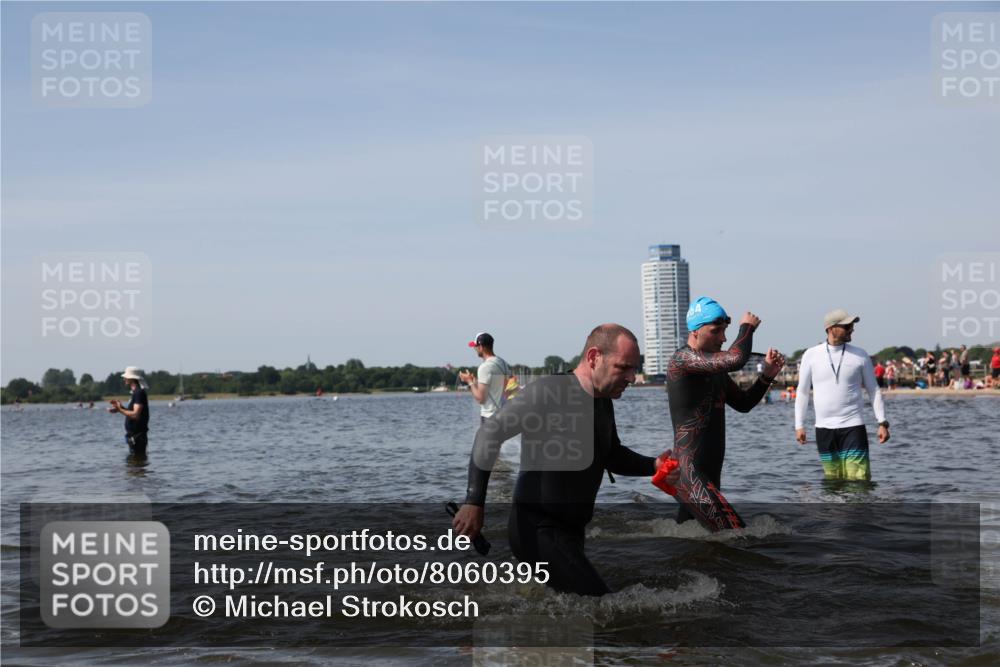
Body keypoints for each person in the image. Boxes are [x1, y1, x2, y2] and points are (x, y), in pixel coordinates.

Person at [451, 324, 679, 596]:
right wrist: (474, 502)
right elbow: (489, 433)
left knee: (573, 615)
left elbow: (612, 454)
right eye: (623, 367)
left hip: (571, 531)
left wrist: (653, 465)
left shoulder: (602, 400)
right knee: (602, 608)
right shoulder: (551, 391)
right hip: (538, 527)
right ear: (594, 357)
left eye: (634, 368)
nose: (632, 377)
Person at [666, 296, 785, 530]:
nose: (723, 338)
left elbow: (744, 403)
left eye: (725, 331)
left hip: (708, 476)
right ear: (695, 331)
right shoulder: (682, 360)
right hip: (689, 475)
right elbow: (736, 358)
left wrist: (767, 376)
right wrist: (747, 327)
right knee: (738, 538)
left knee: (697, 544)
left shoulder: (715, 371)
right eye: (716, 331)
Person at [794, 310, 888, 481]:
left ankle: (859, 509)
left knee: (858, 481)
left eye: (852, 325)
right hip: (823, 429)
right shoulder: (811, 355)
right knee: (833, 481)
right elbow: (802, 391)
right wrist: (799, 425)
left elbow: (873, 390)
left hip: (853, 426)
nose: (852, 329)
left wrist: (882, 422)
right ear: (831, 328)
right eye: (847, 326)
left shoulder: (861, 355)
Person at [458, 333, 512, 422]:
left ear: (481, 347)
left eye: (475, 346)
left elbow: (481, 399)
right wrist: (475, 382)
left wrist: (469, 382)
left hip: (490, 417)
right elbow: (497, 387)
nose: (475, 349)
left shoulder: (484, 367)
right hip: (503, 415)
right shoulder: (502, 362)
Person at [108, 366, 150, 457]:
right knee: (134, 467)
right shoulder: (136, 393)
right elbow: (133, 413)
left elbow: (135, 415)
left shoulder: (139, 393)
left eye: (126, 377)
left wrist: (120, 409)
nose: (124, 379)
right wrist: (119, 408)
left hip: (138, 438)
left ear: (132, 379)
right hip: (134, 437)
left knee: (136, 467)